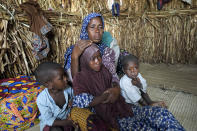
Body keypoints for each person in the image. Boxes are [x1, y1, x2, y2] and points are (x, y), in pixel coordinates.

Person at [72, 44, 185, 130]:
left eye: (99, 57)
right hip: (111, 117)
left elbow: (113, 81)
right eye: (92, 58)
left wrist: (115, 88)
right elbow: (82, 101)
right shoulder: (81, 78)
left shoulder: (104, 70)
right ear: (85, 60)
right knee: (144, 128)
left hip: (124, 108)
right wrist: (105, 96)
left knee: (161, 113)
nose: (97, 61)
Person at [64, 13, 120, 104]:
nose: (97, 31)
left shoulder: (106, 51)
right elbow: (75, 82)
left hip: (105, 93)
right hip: (84, 95)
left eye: (100, 27)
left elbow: (112, 75)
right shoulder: (74, 50)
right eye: (92, 27)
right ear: (85, 30)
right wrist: (74, 57)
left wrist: (116, 88)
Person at [34, 62, 75, 131]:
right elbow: (48, 120)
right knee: (55, 129)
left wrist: (73, 100)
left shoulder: (68, 89)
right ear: (49, 84)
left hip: (67, 120)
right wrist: (67, 122)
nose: (66, 79)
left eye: (65, 75)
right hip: (51, 124)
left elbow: (75, 97)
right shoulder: (42, 99)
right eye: (61, 78)